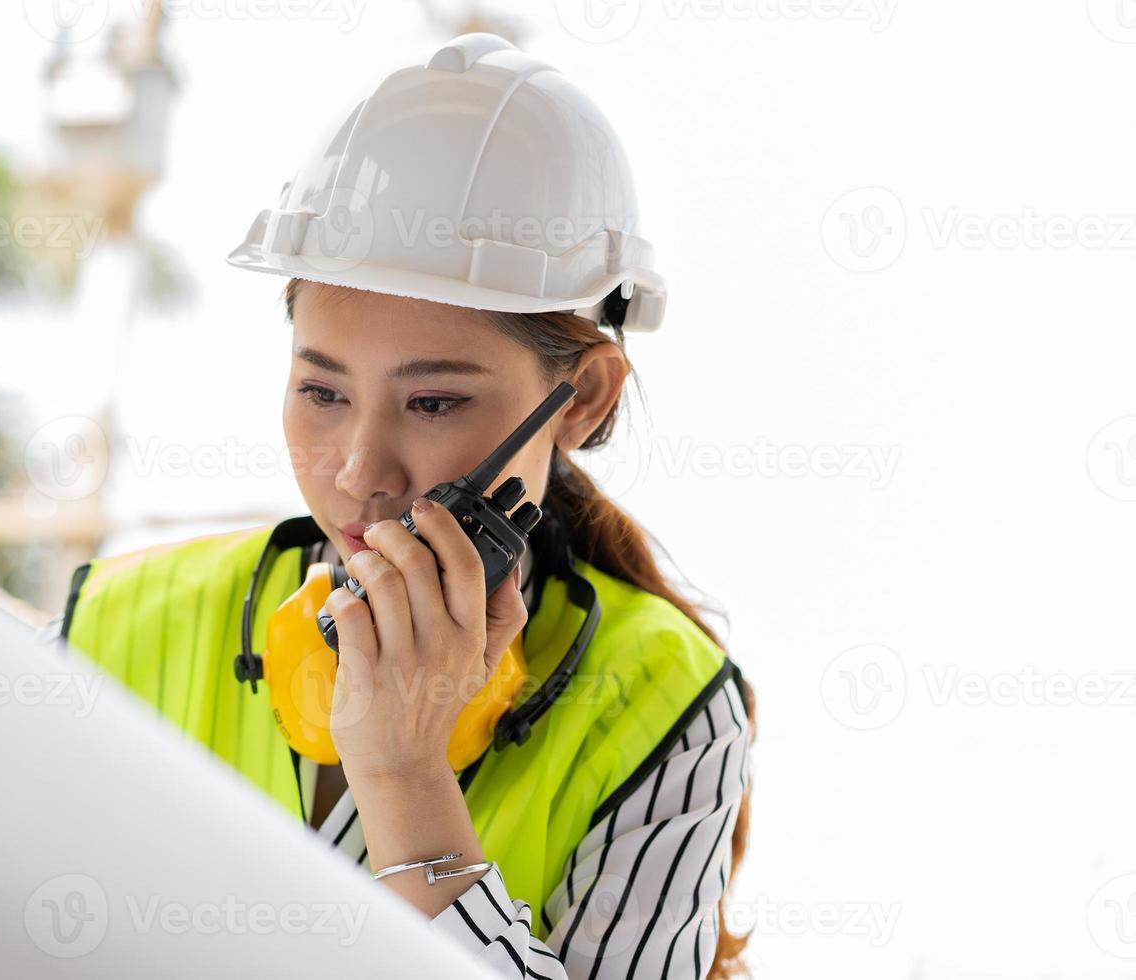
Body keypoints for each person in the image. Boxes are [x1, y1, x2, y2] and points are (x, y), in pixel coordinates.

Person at [54, 33, 756, 980]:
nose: (357, 470)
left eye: (433, 403)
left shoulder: (664, 704)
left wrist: (404, 779)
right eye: (322, 391)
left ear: (582, 399)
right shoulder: (113, 628)